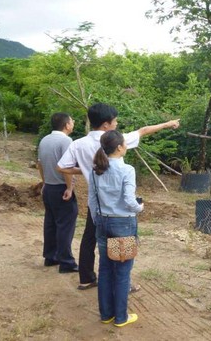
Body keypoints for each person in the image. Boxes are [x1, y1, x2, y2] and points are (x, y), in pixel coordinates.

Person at [57, 102, 180, 290]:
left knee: (90, 239)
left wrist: (85, 170)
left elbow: (61, 166)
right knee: (119, 242)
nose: (116, 124)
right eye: (114, 121)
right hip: (117, 205)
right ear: (106, 125)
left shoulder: (78, 144)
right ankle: (122, 284)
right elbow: (143, 131)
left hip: (96, 202)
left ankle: (86, 278)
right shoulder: (115, 140)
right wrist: (167, 124)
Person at [89, 130, 142, 327]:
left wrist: (97, 220)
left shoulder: (95, 171)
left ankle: (106, 315)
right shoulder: (127, 169)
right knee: (122, 272)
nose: (126, 146)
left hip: (102, 222)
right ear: (119, 147)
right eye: (125, 143)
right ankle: (121, 317)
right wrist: (140, 207)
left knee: (104, 269)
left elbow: (92, 201)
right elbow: (129, 201)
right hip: (123, 224)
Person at [37, 112, 79, 273]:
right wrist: (69, 188)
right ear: (66, 125)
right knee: (65, 225)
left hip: (49, 187)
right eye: (72, 120)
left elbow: (39, 163)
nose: (73, 123)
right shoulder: (66, 141)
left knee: (50, 222)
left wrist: (44, 182)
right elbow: (66, 167)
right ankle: (66, 262)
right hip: (61, 187)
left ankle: (50, 257)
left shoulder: (45, 140)